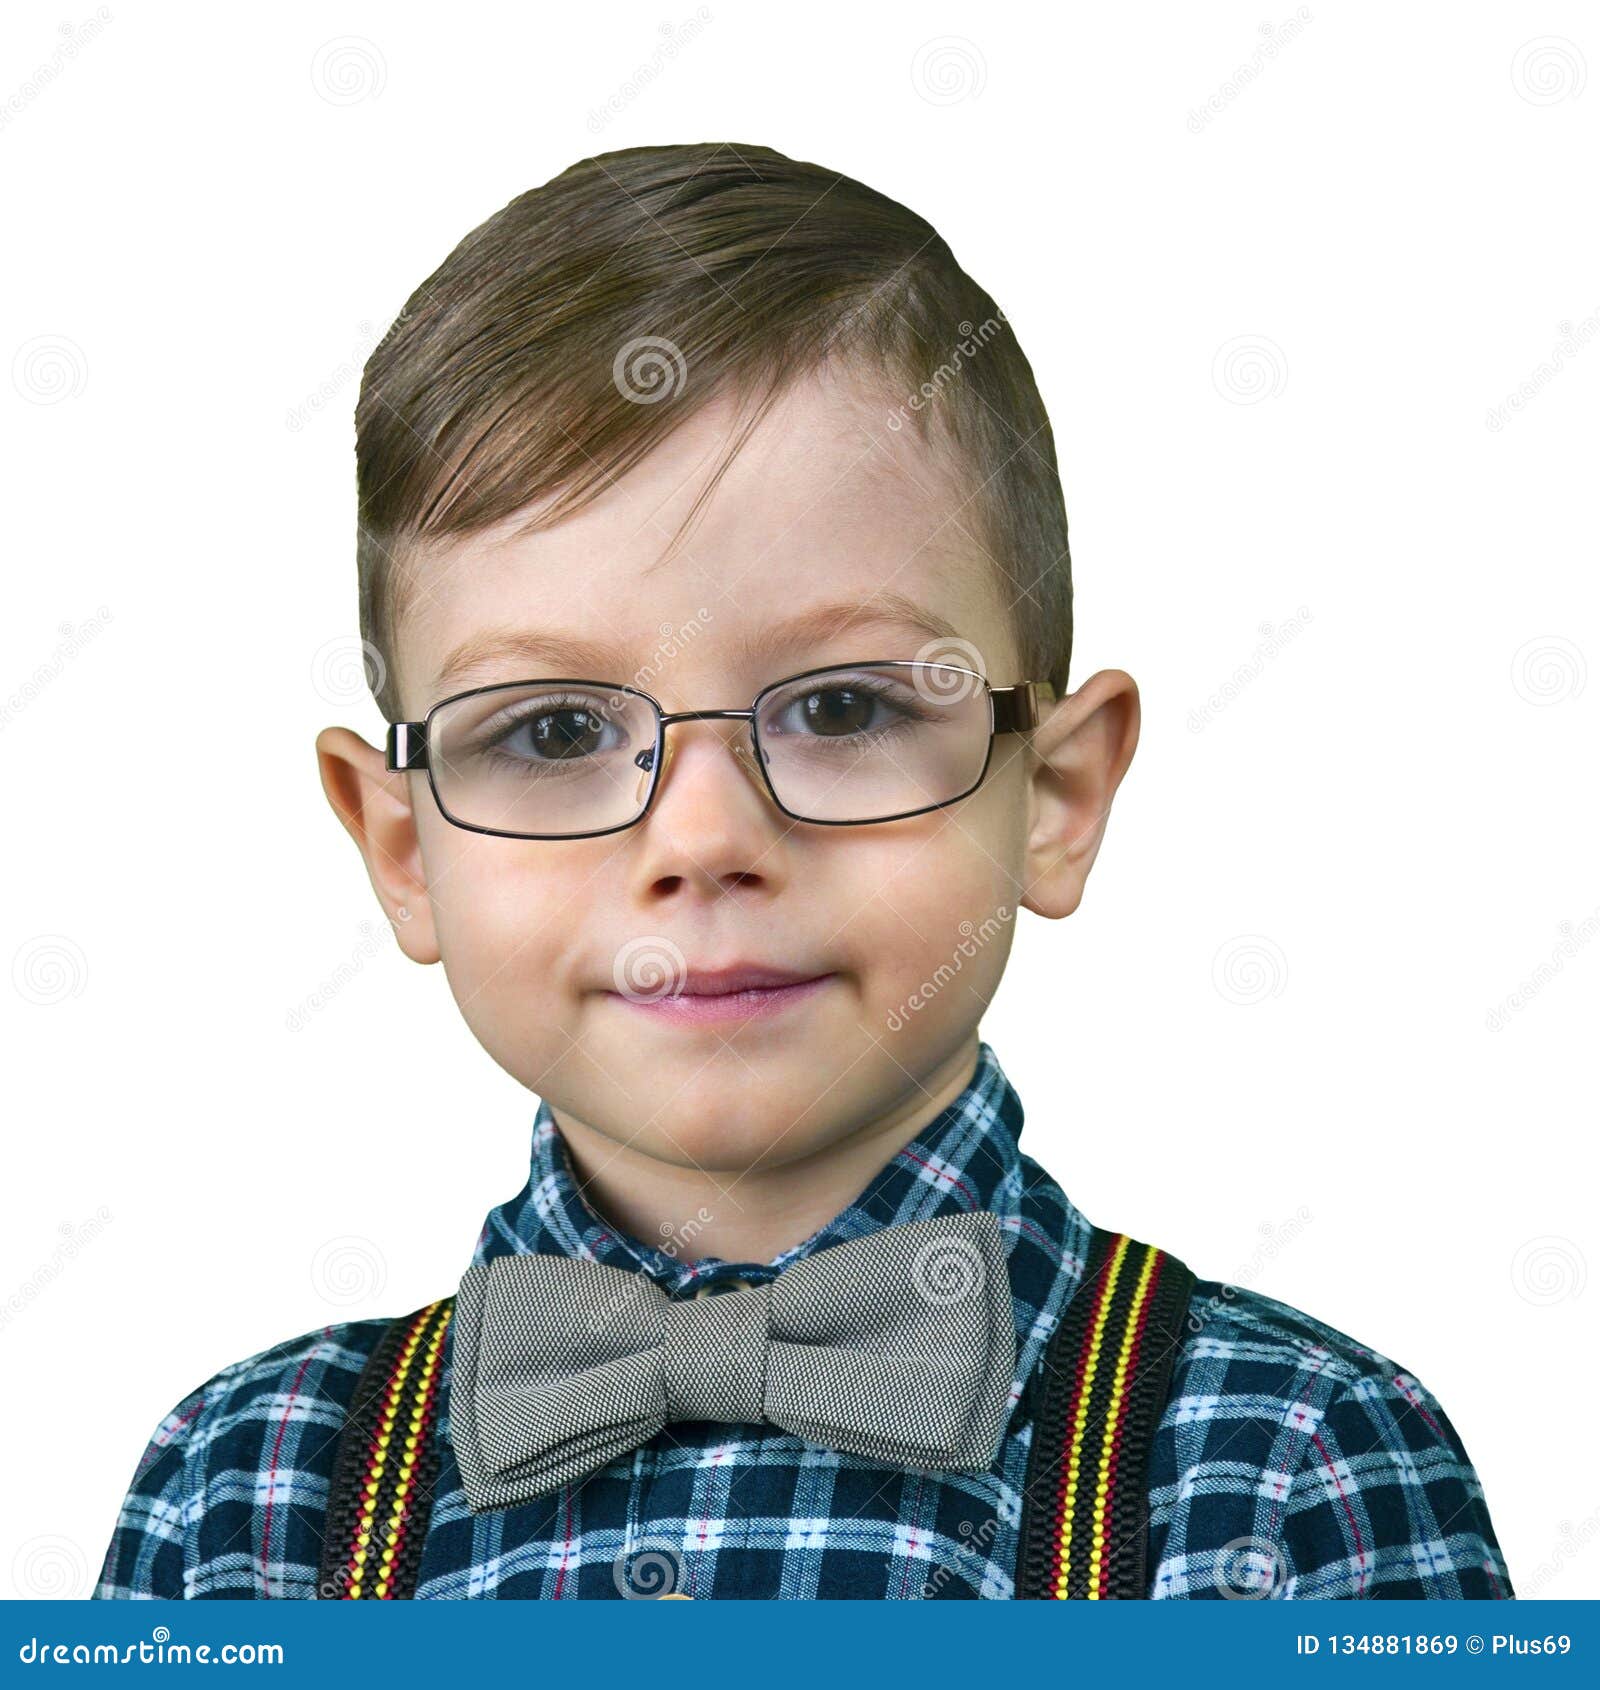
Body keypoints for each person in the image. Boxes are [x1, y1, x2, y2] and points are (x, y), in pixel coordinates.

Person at [93, 142, 1513, 1601]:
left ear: (1059, 793)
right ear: (401, 844)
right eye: (556, 727)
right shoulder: (244, 1500)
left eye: (843, 707)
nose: (703, 838)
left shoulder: (1292, 1464)